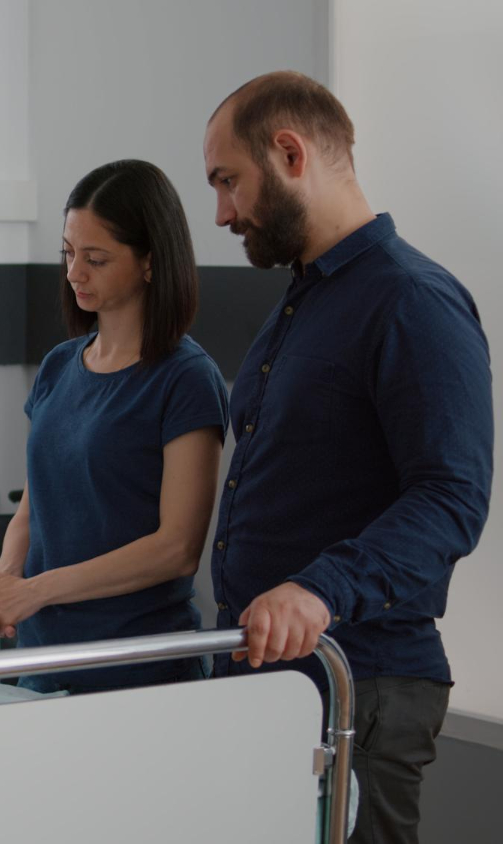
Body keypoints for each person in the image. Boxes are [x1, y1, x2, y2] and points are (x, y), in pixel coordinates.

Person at [203, 71, 491, 843]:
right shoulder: (302, 306)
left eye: (229, 182)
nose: (223, 212)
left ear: (290, 153)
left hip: (362, 682)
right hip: (273, 680)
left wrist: (318, 591)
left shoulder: (412, 302)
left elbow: (451, 498)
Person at [0, 159, 228, 694]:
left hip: (136, 669)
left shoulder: (186, 380)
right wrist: (6, 576)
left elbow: (177, 548)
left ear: (150, 262)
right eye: (68, 253)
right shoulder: (59, 366)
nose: (74, 272)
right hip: (44, 661)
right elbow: (34, 511)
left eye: (96, 259)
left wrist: (37, 591)